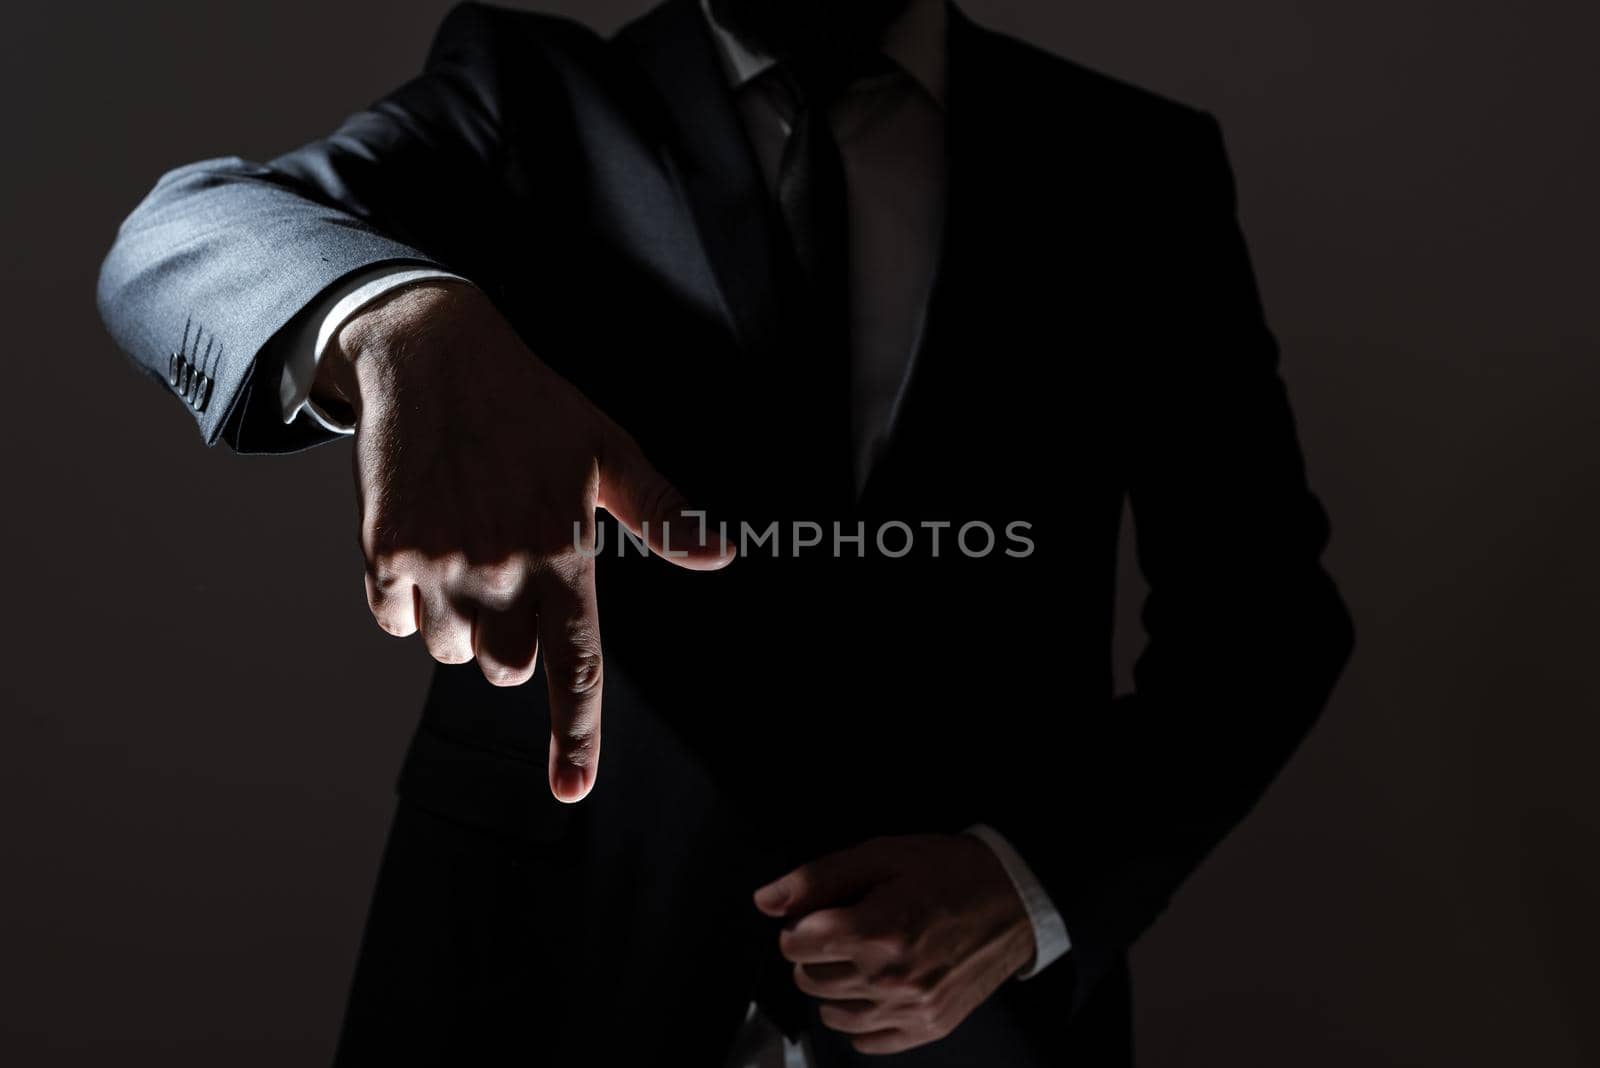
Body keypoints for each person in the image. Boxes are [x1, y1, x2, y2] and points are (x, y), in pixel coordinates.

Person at [96, 0, 1355, 1063]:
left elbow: (1265, 624)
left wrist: (1031, 890)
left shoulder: (1130, 163)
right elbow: (178, 237)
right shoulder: (522, 95)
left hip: (975, 1011)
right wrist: (393, 318)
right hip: (547, 968)